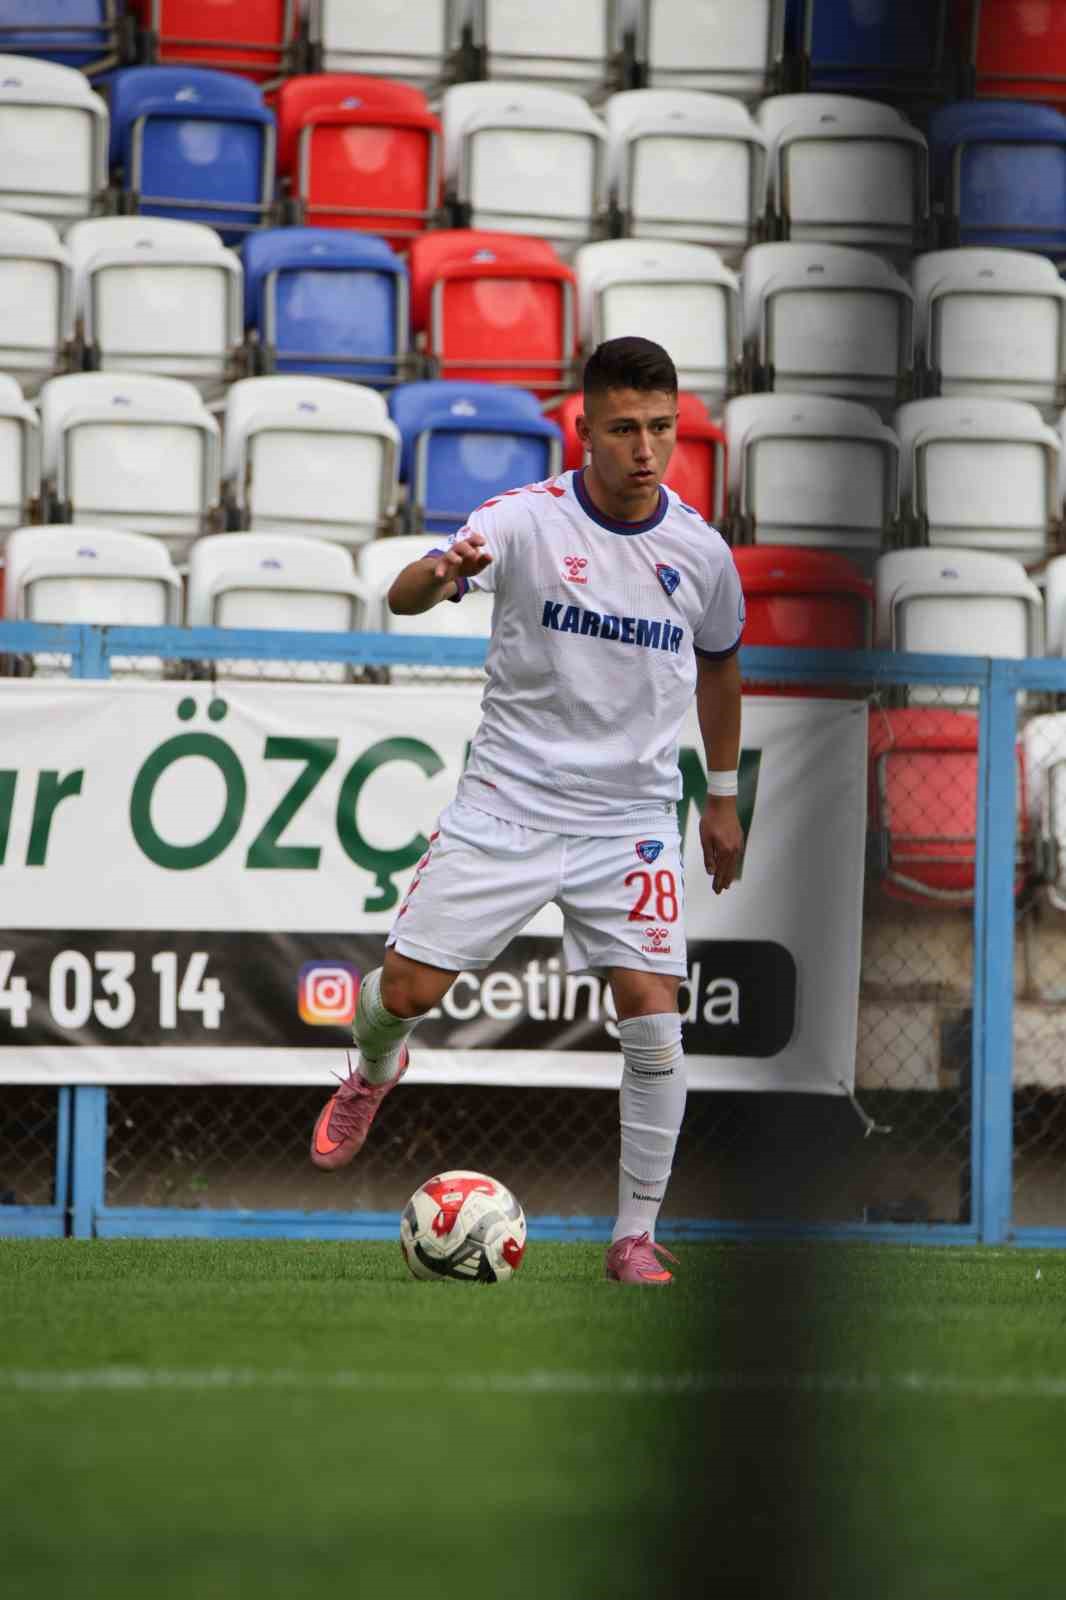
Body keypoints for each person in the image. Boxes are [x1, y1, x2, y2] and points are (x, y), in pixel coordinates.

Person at [311, 335, 746, 1285]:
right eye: (624, 429)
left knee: (654, 1016)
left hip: (630, 820)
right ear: (583, 427)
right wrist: (444, 570)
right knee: (404, 994)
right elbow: (408, 592)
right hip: (507, 805)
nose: (645, 449)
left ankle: (634, 1235)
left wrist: (721, 797)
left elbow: (720, 668)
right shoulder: (521, 520)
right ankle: (375, 1071)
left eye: (661, 428)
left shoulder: (702, 552)